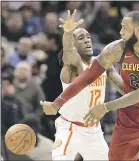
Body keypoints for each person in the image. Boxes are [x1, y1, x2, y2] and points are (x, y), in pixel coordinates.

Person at [41, 10, 139, 160]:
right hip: (124, 115)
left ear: (138, 30)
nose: (120, 32)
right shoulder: (114, 50)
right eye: (121, 27)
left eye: (124, 28)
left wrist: (106, 107)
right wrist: (57, 103)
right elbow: (83, 73)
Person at [41, 10, 124, 160]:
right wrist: (67, 33)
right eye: (80, 38)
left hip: (94, 130)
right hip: (71, 128)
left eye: (88, 37)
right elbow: (68, 51)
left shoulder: (102, 63)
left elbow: (124, 88)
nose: (87, 40)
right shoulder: (72, 66)